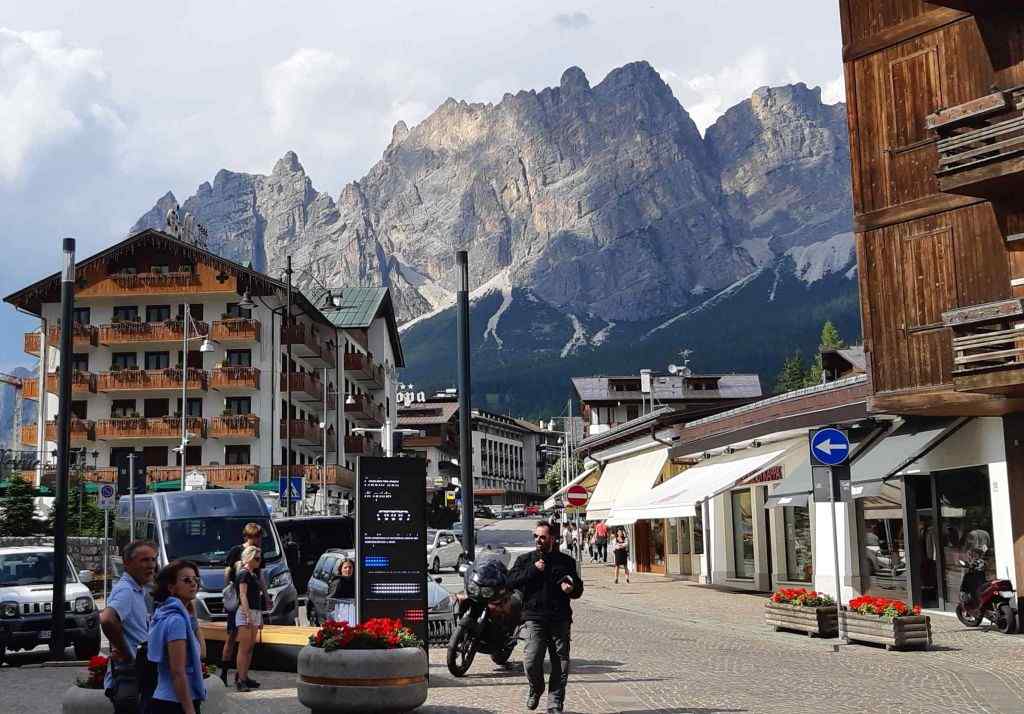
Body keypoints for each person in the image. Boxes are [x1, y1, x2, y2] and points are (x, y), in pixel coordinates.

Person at [509, 521, 584, 714]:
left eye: (542, 537)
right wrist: (533, 570)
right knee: (532, 660)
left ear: (552, 538)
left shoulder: (566, 562)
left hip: (560, 618)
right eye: (536, 536)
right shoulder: (525, 560)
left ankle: (554, 704)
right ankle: (536, 687)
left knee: (561, 663)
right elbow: (510, 582)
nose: (538, 540)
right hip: (534, 617)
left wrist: (571, 588)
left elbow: (578, 588)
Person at [101, 540, 157, 714]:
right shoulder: (126, 590)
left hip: (137, 672)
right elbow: (107, 619)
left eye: (153, 560)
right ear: (127, 563)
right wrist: (125, 652)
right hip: (131, 674)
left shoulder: (138, 590)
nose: (151, 565)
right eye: (144, 560)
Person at [147, 560, 207, 714]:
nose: (193, 584)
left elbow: (202, 654)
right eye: (187, 580)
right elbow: (177, 672)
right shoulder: (177, 621)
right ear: (171, 587)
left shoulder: (165, 613)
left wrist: (192, 618)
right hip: (175, 703)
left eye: (196, 579)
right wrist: (189, 710)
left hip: (168, 698)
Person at [219, 523, 262, 687]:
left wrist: (265, 595)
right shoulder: (237, 552)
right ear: (246, 537)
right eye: (254, 537)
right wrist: (229, 593)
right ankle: (224, 673)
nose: (257, 540)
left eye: (258, 537)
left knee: (248, 644)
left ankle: (241, 676)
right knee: (231, 638)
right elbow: (227, 572)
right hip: (239, 601)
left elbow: (260, 576)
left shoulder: (257, 555)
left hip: (251, 601)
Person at [234, 545, 265, 692]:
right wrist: (247, 615)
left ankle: (245, 676)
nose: (259, 561)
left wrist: (260, 617)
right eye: (256, 558)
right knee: (244, 648)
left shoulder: (254, 574)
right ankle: (240, 679)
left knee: (250, 647)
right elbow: (242, 595)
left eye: (260, 558)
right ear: (249, 558)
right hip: (245, 612)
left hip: (255, 611)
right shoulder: (243, 574)